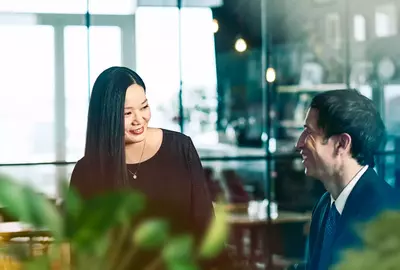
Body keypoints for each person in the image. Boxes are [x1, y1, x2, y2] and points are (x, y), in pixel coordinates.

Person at [69, 66, 220, 269]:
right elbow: (81, 251)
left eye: (144, 107)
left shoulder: (180, 148)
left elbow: (205, 224)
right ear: (107, 117)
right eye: (127, 113)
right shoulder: (87, 172)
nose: (139, 119)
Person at [288, 89, 400, 270]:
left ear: (342, 144)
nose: (299, 143)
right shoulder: (325, 205)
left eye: (309, 133)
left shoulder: (386, 212)